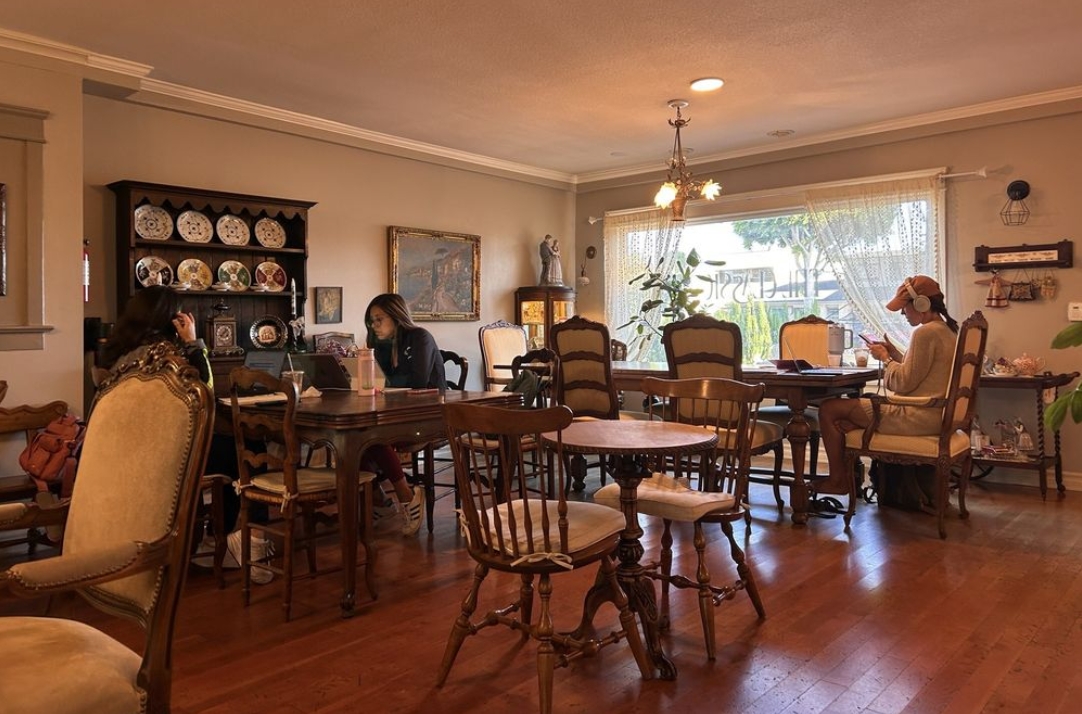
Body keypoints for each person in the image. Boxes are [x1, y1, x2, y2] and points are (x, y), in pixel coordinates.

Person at [100, 285, 275, 584]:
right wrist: (194, 342)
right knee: (247, 449)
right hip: (167, 458)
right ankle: (250, 539)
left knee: (227, 449)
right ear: (170, 318)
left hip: (130, 454)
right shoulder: (166, 354)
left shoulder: (118, 354)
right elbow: (203, 390)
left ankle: (217, 538)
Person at [817, 275, 960, 494]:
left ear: (922, 304)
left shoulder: (925, 333)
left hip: (917, 417)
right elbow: (921, 373)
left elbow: (901, 383)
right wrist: (894, 353)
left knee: (830, 409)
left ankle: (839, 481)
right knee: (844, 419)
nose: (903, 314)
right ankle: (855, 478)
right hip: (936, 416)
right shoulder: (947, 331)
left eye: (905, 308)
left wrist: (885, 359)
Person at [363, 293, 447, 535]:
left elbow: (418, 382)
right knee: (357, 436)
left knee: (373, 437)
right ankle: (380, 500)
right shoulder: (383, 345)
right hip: (398, 414)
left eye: (379, 319)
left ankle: (406, 496)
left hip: (429, 415)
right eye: (371, 321)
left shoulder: (420, 337)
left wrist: (383, 382)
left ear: (396, 316)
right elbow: (383, 385)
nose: (374, 326)